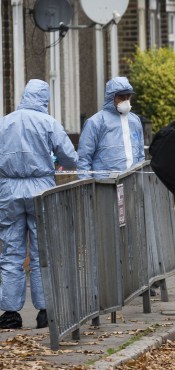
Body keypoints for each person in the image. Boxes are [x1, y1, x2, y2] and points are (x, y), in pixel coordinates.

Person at [0, 79, 79, 330]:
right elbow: (68, 156)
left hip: (9, 188)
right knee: (41, 250)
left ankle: (10, 312)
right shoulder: (48, 122)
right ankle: (45, 310)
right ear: (45, 99)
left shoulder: (6, 122)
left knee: (11, 251)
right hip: (40, 187)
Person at [77, 77, 145, 178]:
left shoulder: (135, 121)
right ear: (111, 97)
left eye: (128, 96)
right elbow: (83, 159)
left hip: (132, 184)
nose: (126, 101)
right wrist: (88, 190)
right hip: (105, 186)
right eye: (121, 97)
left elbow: (140, 155)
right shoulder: (95, 122)